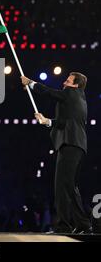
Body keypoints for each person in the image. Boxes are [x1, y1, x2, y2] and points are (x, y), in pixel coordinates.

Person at [21, 72, 92, 234]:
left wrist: (31, 83)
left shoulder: (71, 93)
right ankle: (76, 224)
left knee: (64, 186)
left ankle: (72, 224)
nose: (64, 83)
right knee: (67, 186)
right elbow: (64, 123)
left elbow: (49, 92)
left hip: (71, 144)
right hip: (75, 145)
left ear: (75, 85)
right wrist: (47, 121)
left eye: (68, 81)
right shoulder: (78, 99)